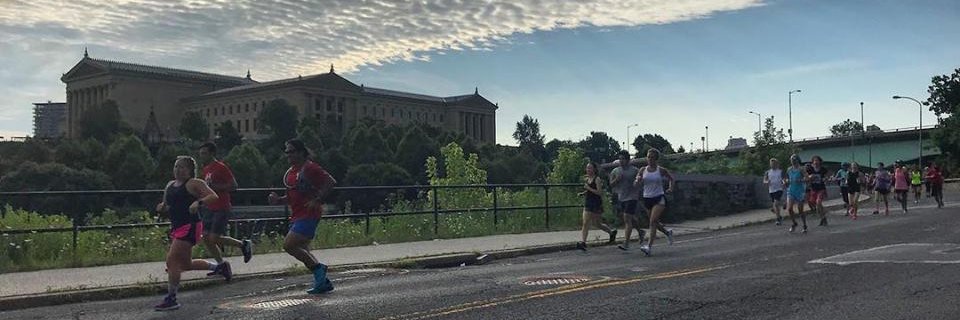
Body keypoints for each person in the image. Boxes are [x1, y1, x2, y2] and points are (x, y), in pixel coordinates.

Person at [268, 139, 337, 294]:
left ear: (301, 152)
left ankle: (319, 269)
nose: (288, 155)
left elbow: (330, 182)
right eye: (286, 152)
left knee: (289, 245)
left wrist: (318, 200)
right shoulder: (291, 172)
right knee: (304, 250)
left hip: (309, 214)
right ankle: (323, 282)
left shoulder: (310, 167)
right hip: (297, 215)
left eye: (291, 151)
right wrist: (278, 200)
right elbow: (291, 196)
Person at [154, 156, 221, 311]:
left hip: (190, 226)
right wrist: (162, 208)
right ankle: (218, 267)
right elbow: (167, 205)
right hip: (177, 227)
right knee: (185, 264)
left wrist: (199, 202)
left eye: (182, 167)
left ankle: (172, 298)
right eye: (176, 166)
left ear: (190, 170)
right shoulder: (170, 185)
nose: (178, 170)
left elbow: (213, 196)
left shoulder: (194, 183)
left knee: (172, 262)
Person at [197, 142, 253, 278]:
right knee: (206, 237)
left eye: (204, 153)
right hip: (209, 207)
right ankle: (221, 265)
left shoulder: (221, 167)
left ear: (212, 153)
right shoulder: (206, 169)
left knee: (214, 238)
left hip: (221, 206)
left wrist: (216, 187)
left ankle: (243, 244)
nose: (202, 156)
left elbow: (233, 185)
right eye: (201, 154)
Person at [633, 148, 676, 256]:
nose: (650, 159)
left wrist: (670, 188)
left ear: (656, 159)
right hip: (647, 198)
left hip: (659, 197)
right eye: (648, 157)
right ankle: (667, 232)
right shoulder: (643, 170)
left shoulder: (660, 170)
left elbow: (671, 178)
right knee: (655, 222)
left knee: (652, 221)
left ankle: (649, 247)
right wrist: (637, 181)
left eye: (652, 157)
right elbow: (636, 184)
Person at [576, 162, 617, 251]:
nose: (588, 170)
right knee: (585, 222)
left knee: (597, 224)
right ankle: (583, 242)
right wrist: (583, 193)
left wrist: (588, 188)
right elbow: (589, 190)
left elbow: (599, 192)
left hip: (596, 204)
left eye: (590, 168)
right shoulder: (587, 179)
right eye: (587, 168)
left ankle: (611, 232)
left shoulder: (597, 179)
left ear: (594, 169)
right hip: (588, 202)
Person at [610, 150, 644, 251]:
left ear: (628, 160)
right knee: (630, 218)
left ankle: (626, 243)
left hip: (632, 197)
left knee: (627, 218)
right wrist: (617, 180)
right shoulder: (615, 171)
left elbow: (640, 182)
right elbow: (611, 184)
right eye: (620, 159)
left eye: (623, 159)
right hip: (621, 197)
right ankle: (640, 231)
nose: (621, 161)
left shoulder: (634, 170)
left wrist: (637, 183)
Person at [785, 155, 808, 233]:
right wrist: (786, 181)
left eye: (794, 159)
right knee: (789, 208)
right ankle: (794, 223)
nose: (793, 161)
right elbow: (786, 178)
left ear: (798, 160)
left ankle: (804, 225)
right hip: (791, 190)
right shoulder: (789, 169)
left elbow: (807, 178)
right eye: (791, 159)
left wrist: (801, 180)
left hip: (800, 191)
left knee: (800, 209)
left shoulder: (801, 169)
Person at [806, 155, 830, 226]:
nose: (816, 162)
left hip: (821, 188)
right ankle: (823, 217)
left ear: (820, 162)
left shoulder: (823, 169)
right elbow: (806, 177)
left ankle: (823, 218)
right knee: (815, 205)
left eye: (817, 160)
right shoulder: (810, 169)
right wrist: (810, 177)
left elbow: (827, 176)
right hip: (813, 189)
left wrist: (826, 178)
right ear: (812, 162)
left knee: (818, 202)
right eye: (814, 161)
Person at [763, 158, 786, 225]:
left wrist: (784, 182)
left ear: (777, 164)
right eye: (771, 164)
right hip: (771, 190)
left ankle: (778, 219)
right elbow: (764, 180)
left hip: (779, 189)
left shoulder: (780, 171)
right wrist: (767, 182)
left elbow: (784, 179)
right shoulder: (768, 172)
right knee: (775, 205)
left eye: (774, 163)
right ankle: (779, 216)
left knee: (776, 204)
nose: (772, 165)